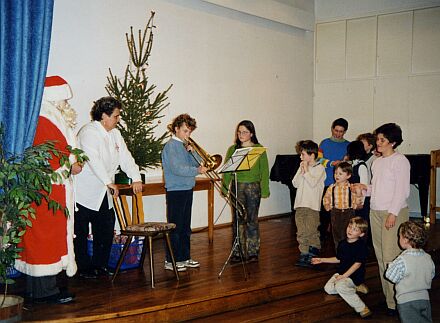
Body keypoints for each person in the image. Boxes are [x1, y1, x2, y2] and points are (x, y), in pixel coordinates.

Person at [15, 76, 81, 304]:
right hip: (48, 190)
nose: (66, 103)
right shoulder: (45, 120)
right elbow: (50, 156)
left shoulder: (49, 118)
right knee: (45, 240)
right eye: (63, 99)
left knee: (42, 239)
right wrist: (71, 165)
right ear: (54, 97)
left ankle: (38, 289)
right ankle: (46, 291)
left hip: (48, 189)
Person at [74, 97, 143, 279]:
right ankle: (83, 268)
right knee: (80, 232)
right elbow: (93, 160)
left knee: (104, 230)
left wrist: (136, 177)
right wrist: (108, 181)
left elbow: (125, 157)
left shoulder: (115, 134)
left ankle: (101, 265)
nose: (118, 119)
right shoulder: (89, 132)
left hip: (104, 192)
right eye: (116, 116)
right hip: (85, 192)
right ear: (104, 116)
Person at [354, 123, 410, 316]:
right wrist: (364, 188)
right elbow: (376, 189)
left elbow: (402, 190)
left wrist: (393, 214)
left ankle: (399, 301)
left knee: (390, 257)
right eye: (377, 139)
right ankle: (389, 300)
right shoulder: (377, 162)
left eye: (382, 140)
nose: (377, 143)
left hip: (392, 212)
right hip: (376, 212)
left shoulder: (400, 160)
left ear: (392, 142)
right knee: (380, 257)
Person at [162, 114, 207, 272]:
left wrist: (192, 152)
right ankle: (172, 260)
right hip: (176, 190)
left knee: (185, 226)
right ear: (176, 129)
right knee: (175, 226)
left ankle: (185, 257)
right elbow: (177, 169)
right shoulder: (171, 146)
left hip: (187, 188)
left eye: (190, 132)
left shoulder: (183, 146)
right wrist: (197, 170)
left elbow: (197, 163)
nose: (188, 135)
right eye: (185, 131)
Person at [222, 120, 270, 263]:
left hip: (253, 188)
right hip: (237, 187)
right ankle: (238, 251)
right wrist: (225, 187)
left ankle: (253, 251)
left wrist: (265, 189)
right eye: (239, 132)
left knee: (252, 220)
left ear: (251, 134)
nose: (241, 134)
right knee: (238, 220)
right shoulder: (233, 149)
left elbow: (264, 171)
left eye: (244, 132)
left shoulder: (258, 149)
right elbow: (227, 171)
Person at [311, 217, 371, 319]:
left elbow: (357, 264)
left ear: (361, 234)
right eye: (350, 226)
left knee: (340, 287)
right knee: (328, 289)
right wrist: (322, 260)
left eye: (355, 229)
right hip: (341, 273)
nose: (350, 230)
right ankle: (354, 288)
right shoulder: (342, 243)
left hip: (353, 276)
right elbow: (339, 259)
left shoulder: (361, 246)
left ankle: (362, 307)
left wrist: (344, 276)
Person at [385, 221, 435, 323]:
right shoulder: (427, 257)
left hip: (406, 301)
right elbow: (432, 274)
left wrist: (390, 265)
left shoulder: (402, 260)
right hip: (424, 298)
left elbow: (391, 277)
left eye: (399, 236)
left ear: (405, 240)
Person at [292, 140, 326, 267]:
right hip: (300, 204)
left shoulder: (320, 168)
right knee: (301, 230)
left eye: (303, 154)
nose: (301, 157)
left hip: (312, 206)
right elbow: (295, 183)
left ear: (312, 155)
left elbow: (313, 183)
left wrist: (306, 170)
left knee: (311, 230)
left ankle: (313, 253)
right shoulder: (302, 168)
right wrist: (302, 171)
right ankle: (304, 253)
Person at [318, 118, 350, 241]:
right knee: (325, 212)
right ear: (332, 129)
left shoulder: (348, 145)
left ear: (345, 132)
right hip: (327, 182)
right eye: (336, 130)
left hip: (342, 184)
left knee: (341, 212)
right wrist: (332, 163)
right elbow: (318, 160)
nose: (338, 133)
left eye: (341, 131)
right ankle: (322, 236)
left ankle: (340, 236)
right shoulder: (324, 143)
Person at [323, 162, 362, 251]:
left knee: (348, 234)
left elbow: (357, 199)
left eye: (340, 174)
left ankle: (349, 253)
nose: (337, 175)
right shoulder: (331, 187)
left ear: (348, 176)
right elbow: (326, 197)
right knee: (336, 234)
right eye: (336, 173)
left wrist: (356, 204)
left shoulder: (351, 187)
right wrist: (327, 205)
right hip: (335, 213)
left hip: (349, 213)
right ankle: (339, 254)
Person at [346, 141, 369, 221]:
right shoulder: (353, 165)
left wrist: (361, 203)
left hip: (360, 203)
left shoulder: (361, 166)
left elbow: (364, 186)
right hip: (353, 201)